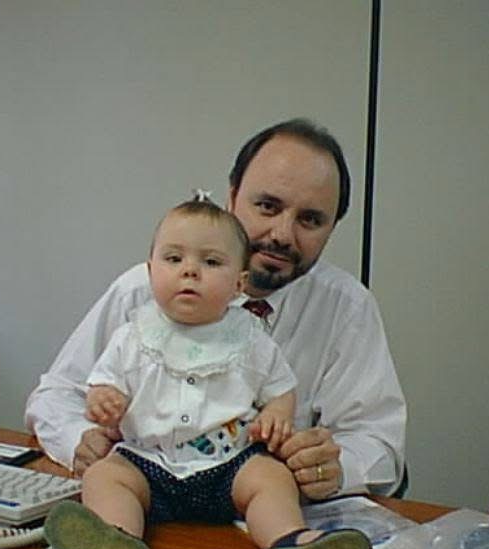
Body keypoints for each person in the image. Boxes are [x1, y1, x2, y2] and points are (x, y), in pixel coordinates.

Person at [26, 118, 406, 501]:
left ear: (332, 227)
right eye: (267, 206)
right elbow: (55, 395)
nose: (282, 235)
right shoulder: (144, 291)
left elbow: (382, 444)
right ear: (232, 197)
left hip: (267, 522)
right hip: (151, 512)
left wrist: (338, 467)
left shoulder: (347, 308)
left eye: (310, 219)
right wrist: (81, 439)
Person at [43, 198, 372, 549]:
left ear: (239, 284)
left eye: (211, 262)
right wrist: (103, 400)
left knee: (272, 479)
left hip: (230, 465)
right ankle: (115, 538)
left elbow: (281, 388)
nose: (190, 272)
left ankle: (292, 543)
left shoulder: (250, 338)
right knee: (104, 476)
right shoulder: (133, 334)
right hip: (148, 461)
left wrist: (276, 415)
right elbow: (100, 382)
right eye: (173, 259)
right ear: (150, 271)